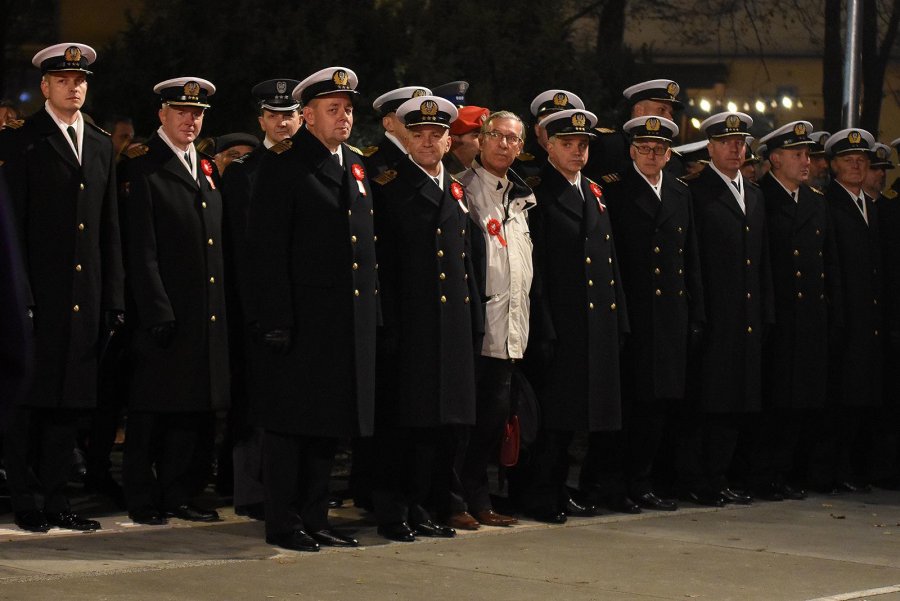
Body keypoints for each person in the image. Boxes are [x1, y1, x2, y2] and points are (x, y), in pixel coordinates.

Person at [246, 67, 377, 552]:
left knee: (327, 428)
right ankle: (284, 522)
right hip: (300, 322)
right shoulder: (284, 165)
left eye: (347, 109)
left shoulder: (356, 165)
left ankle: (317, 517)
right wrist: (276, 319)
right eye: (332, 109)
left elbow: (365, 250)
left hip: (345, 322)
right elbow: (267, 248)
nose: (343, 117)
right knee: (291, 428)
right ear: (307, 115)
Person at [0, 43, 124, 532]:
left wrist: (113, 296)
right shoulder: (21, 142)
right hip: (36, 296)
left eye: (81, 81)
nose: (74, 87)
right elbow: (13, 230)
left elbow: (107, 226)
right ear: (46, 87)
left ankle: (56, 497)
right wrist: (19, 297)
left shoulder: (96, 143)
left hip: (83, 295)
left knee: (68, 404)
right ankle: (26, 499)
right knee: (29, 404)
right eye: (64, 80)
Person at [370, 94, 482, 542]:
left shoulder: (453, 186)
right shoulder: (389, 186)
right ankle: (393, 511)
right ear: (406, 136)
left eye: (436, 135)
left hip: (450, 323)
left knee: (439, 425)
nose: (428, 143)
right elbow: (380, 264)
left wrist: (472, 315)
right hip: (409, 325)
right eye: (419, 135)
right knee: (402, 425)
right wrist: (387, 324)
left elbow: (467, 258)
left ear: (447, 139)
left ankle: (423, 505)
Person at [119, 76, 229, 526]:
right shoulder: (144, 167)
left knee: (193, 412)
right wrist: (156, 310)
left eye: (198, 113)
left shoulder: (204, 167)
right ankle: (144, 496)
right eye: (182, 111)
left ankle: (180, 492)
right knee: (151, 412)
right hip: (164, 312)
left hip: (203, 310)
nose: (191, 119)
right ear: (162, 115)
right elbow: (141, 250)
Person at [583, 116, 703, 514]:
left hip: (669, 314)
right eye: (644, 148)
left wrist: (694, 311)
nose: (652, 155)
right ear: (632, 151)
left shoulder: (680, 193)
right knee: (626, 406)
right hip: (631, 312)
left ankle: (642, 480)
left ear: (669, 155)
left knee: (657, 407)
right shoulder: (614, 191)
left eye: (659, 150)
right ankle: (612, 484)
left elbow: (691, 258)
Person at [524, 107, 629, 523]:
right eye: (567, 144)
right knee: (554, 421)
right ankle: (540, 495)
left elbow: (610, 261)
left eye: (583, 145)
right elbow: (539, 269)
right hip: (561, 323)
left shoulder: (594, 192)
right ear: (548, 145)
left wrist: (619, 319)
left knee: (580, 418)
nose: (577, 152)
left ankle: (561, 491)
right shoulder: (538, 191)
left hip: (595, 322)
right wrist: (544, 326)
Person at [677, 111, 774, 507]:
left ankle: (720, 475)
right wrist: (698, 314)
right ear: (711, 148)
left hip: (746, 316)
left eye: (741, 143)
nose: (736, 149)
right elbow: (693, 258)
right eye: (727, 142)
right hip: (715, 315)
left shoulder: (754, 193)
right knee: (710, 402)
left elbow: (761, 258)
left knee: (738, 402)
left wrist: (765, 311)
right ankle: (699, 479)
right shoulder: (696, 192)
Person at [220, 78, 301, 521]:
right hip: (255, 304)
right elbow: (240, 246)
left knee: (293, 399)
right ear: (261, 120)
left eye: (289, 114)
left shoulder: (311, 164)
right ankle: (252, 491)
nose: (283, 123)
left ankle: (292, 489)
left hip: (299, 304)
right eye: (275, 115)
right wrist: (251, 309)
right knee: (255, 401)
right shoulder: (245, 171)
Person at [450, 110, 535, 529]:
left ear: (521, 148)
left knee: (492, 421)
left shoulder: (519, 196)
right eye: (497, 136)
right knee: (463, 422)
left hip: (510, 330)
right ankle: (454, 500)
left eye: (513, 139)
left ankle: (479, 497)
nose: (504, 145)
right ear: (480, 141)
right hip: (474, 327)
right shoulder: (462, 190)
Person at [750, 121, 841, 500]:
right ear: (775, 159)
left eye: (808, 155)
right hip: (780, 317)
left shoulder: (815, 201)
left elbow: (829, 264)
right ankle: (763, 474)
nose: (806, 161)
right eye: (798, 154)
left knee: (802, 402)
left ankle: (788, 471)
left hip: (811, 318)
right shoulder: (761, 199)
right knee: (775, 403)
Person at [816, 128, 882, 492]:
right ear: (833, 166)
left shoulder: (871, 205)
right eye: (848, 160)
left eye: (861, 160)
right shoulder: (827, 203)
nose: (856, 165)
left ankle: (853, 467)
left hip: (868, 318)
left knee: (863, 398)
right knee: (841, 400)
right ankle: (831, 470)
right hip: (845, 317)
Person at [585, 79, 683, 182]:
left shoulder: (672, 161)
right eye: (661, 110)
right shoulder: (608, 146)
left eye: (671, 113)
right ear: (639, 111)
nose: (670, 118)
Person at [514, 89, 585, 185]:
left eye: (564, 125)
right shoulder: (520, 168)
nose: (557, 130)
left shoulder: (582, 163)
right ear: (537, 129)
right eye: (550, 124)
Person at [363, 85, 430, 179]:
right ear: (388, 124)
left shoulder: (429, 154)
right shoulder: (369, 161)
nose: (417, 122)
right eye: (407, 116)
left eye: (421, 116)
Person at [444, 105, 490, 176]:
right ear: (454, 138)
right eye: (476, 135)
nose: (484, 141)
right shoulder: (445, 174)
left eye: (486, 135)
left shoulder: (485, 168)